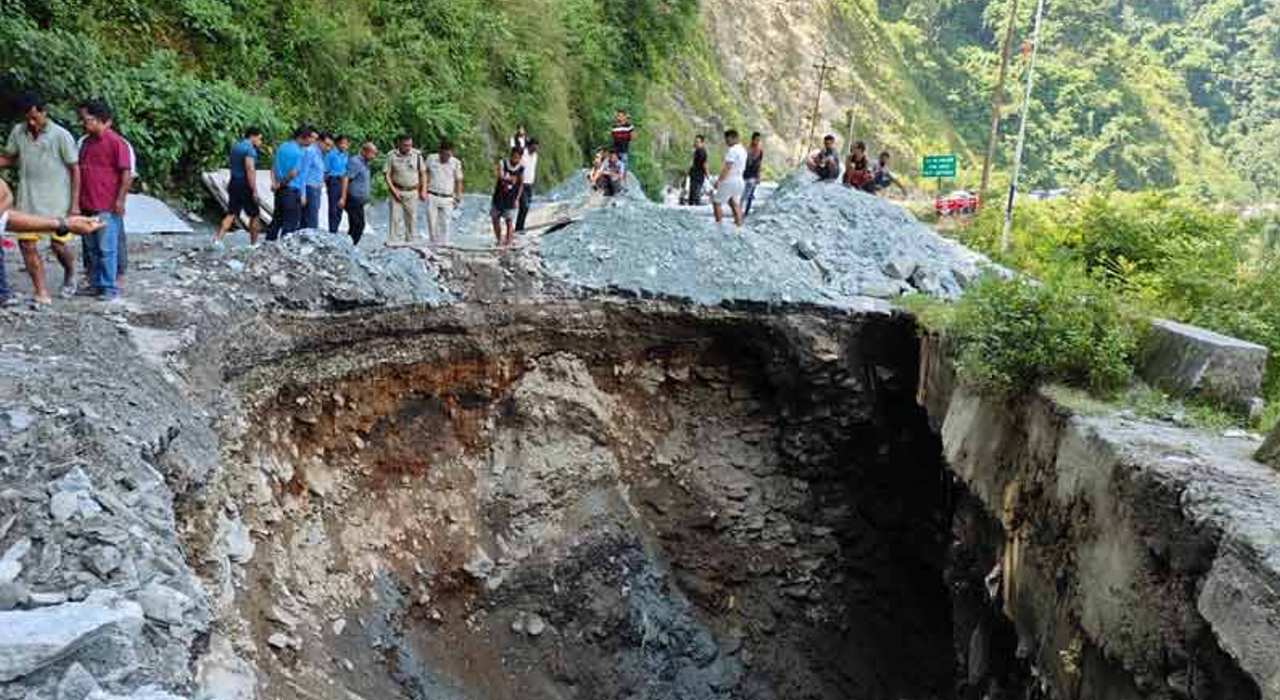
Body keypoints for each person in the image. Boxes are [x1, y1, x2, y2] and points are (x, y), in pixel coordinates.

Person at [0, 94, 81, 304]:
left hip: (56, 200)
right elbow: (9, 158)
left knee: (58, 246)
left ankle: (71, 272)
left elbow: (75, 169)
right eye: (27, 118)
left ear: (44, 112)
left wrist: (74, 205)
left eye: (35, 117)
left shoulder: (61, 135)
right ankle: (41, 291)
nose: (31, 122)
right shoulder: (19, 132)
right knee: (27, 245)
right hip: (27, 199)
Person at [75, 104, 137, 292]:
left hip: (106, 204)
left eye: (89, 121)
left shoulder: (117, 143)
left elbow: (126, 173)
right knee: (91, 248)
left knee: (106, 248)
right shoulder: (85, 142)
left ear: (103, 122)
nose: (85, 124)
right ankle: (95, 283)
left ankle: (108, 286)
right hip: (87, 202)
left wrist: (120, 200)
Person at [213, 127, 263, 247]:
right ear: (253, 136)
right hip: (244, 184)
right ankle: (254, 244)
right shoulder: (249, 150)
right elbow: (250, 169)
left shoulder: (236, 147)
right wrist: (254, 190)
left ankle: (217, 240)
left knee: (232, 212)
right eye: (259, 138)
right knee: (254, 214)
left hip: (234, 181)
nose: (260, 142)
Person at [268, 126, 313, 240]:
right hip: (291, 191)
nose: (311, 141)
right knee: (290, 225)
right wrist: (282, 183)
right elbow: (293, 173)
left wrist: (275, 183)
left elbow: (273, 166)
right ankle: (284, 251)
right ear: (302, 138)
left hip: (279, 191)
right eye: (309, 138)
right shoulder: (299, 153)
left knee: (276, 220)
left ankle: (268, 244)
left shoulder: (282, 147)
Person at [384, 134, 426, 244]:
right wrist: (393, 190)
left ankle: (411, 241)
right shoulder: (391, 155)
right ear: (399, 144)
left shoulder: (417, 155)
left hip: (412, 191)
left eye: (410, 145)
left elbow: (423, 173)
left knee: (412, 218)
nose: (408, 148)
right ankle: (394, 241)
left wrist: (423, 190)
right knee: (395, 218)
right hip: (397, 190)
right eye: (405, 145)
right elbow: (387, 175)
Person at [424, 139, 464, 247]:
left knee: (445, 223)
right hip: (432, 194)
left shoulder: (456, 163)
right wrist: (422, 189)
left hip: (448, 197)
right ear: (440, 151)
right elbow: (425, 174)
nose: (447, 157)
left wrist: (458, 195)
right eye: (445, 154)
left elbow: (459, 180)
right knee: (432, 222)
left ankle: (444, 244)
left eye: (449, 154)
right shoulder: (431, 159)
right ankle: (433, 244)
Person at [338, 141, 377, 247]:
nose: (374, 156)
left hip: (359, 200)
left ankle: (351, 246)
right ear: (364, 151)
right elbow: (346, 178)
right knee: (357, 225)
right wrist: (343, 197)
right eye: (372, 153)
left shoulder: (365, 163)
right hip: (352, 198)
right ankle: (349, 246)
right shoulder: (355, 162)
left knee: (358, 225)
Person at [712, 129, 748, 228]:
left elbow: (727, 167)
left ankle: (718, 225)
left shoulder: (733, 150)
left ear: (733, 138)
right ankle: (739, 225)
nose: (726, 142)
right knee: (734, 202)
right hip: (740, 179)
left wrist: (719, 181)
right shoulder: (743, 150)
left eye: (727, 139)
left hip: (730, 179)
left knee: (717, 202)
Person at [490, 146, 524, 247]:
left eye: (518, 158)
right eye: (514, 157)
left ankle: (508, 242)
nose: (515, 160)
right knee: (495, 218)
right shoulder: (503, 163)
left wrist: (517, 199)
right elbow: (500, 176)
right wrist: (509, 179)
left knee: (509, 220)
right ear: (511, 155)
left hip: (511, 197)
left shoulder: (521, 168)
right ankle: (499, 239)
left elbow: (521, 184)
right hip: (499, 196)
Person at [301, 130, 328, 230]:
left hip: (316, 189)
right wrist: (303, 194)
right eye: (327, 144)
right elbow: (303, 173)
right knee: (311, 220)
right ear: (319, 141)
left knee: (312, 217)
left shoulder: (320, 154)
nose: (328, 148)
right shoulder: (310, 152)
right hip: (309, 188)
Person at [325, 134, 350, 233]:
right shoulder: (331, 154)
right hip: (333, 180)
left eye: (346, 144)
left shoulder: (346, 155)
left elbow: (346, 169)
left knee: (340, 206)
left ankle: (336, 229)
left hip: (343, 181)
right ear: (337, 144)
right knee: (333, 207)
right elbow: (326, 170)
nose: (344, 146)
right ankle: (332, 230)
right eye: (342, 143)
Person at [515, 139, 538, 232]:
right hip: (521, 184)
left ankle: (520, 227)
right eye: (534, 147)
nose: (535, 149)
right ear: (530, 145)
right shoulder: (523, 154)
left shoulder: (535, 156)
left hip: (530, 184)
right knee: (524, 205)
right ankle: (519, 228)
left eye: (536, 147)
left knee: (527, 206)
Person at [742, 132, 764, 217]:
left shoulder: (760, 151)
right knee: (743, 194)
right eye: (756, 140)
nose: (758, 142)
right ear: (752, 140)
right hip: (745, 174)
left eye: (759, 140)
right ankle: (739, 210)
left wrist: (759, 176)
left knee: (750, 195)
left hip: (754, 175)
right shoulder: (747, 150)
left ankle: (746, 212)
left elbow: (760, 163)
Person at [687, 135, 708, 206]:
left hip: (698, 175)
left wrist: (707, 174)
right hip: (694, 174)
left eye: (698, 142)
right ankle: (692, 205)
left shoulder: (702, 151)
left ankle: (696, 206)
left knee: (695, 193)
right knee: (692, 193)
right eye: (695, 141)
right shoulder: (696, 151)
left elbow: (704, 164)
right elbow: (692, 163)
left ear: (702, 143)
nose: (696, 143)